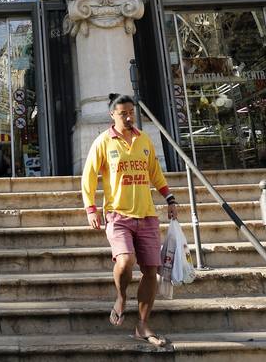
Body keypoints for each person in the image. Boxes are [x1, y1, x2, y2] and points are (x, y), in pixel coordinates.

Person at [82, 93, 179, 348]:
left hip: (147, 215)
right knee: (125, 261)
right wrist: (91, 209)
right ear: (112, 114)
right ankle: (121, 297)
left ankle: (142, 325)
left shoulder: (144, 140)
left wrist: (169, 199)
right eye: (122, 113)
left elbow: (155, 174)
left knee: (150, 271)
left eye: (131, 113)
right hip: (118, 216)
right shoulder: (103, 142)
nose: (127, 117)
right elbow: (89, 177)